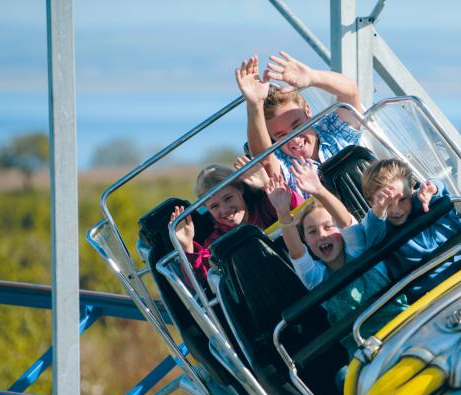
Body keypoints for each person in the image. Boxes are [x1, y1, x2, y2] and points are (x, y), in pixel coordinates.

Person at [266, 157, 406, 353]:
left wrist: (319, 191)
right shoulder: (315, 278)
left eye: (328, 227)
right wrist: (282, 211)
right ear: (306, 240)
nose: (322, 235)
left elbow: (346, 221)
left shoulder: (359, 249)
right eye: (312, 232)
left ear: (340, 232)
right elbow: (296, 252)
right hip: (364, 348)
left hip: (402, 325)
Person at [235, 53, 364, 198]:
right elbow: (264, 159)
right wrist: (254, 105)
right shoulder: (282, 162)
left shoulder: (332, 129)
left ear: (307, 111)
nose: (295, 141)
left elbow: (350, 92)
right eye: (281, 136)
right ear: (271, 137)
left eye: (297, 127)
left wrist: (313, 77)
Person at [170, 160, 300, 283]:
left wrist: (266, 185)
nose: (225, 209)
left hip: (296, 273)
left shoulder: (265, 208)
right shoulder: (215, 242)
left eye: (228, 198)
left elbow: (297, 210)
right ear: (207, 209)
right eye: (214, 206)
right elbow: (203, 281)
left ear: (240, 189)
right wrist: (187, 246)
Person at [359, 159, 461, 298]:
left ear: (411, 189)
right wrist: (379, 211)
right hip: (430, 293)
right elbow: (371, 230)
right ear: (372, 204)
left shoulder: (420, 201)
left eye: (402, 199)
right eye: (387, 204)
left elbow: (437, 187)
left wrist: (432, 189)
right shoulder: (379, 227)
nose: (396, 210)